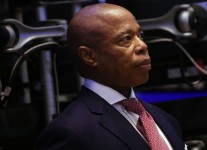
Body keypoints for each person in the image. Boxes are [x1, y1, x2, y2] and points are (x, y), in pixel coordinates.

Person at [35, 3, 186, 150]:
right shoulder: (70, 132)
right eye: (125, 39)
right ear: (89, 56)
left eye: (140, 35)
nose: (142, 46)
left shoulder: (164, 119)